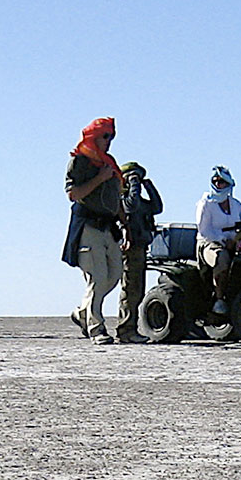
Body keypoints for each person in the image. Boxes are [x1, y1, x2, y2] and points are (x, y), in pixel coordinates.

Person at [61, 117, 125, 345]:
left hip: (109, 227)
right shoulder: (80, 162)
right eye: (105, 136)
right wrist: (100, 178)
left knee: (114, 275)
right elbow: (73, 194)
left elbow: (115, 197)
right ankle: (96, 328)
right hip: (88, 227)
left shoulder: (110, 163)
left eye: (111, 137)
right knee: (97, 278)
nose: (109, 141)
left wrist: (124, 223)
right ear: (93, 137)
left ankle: (82, 313)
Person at [114, 161, 163, 343]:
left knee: (137, 290)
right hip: (129, 247)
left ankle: (129, 328)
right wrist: (133, 184)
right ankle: (126, 330)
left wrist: (148, 185)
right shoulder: (123, 200)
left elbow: (157, 207)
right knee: (130, 289)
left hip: (140, 247)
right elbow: (131, 206)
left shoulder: (140, 202)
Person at [194, 166, 241, 315]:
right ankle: (219, 299)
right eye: (216, 181)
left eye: (222, 182)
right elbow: (204, 231)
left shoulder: (235, 204)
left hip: (233, 242)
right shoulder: (206, 203)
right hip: (208, 244)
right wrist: (223, 240)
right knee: (222, 258)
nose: (219, 185)